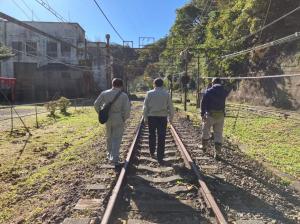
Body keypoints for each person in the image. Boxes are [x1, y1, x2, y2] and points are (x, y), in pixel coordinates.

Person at [94, 78, 131, 169]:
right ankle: (115, 159)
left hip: (107, 118)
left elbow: (96, 104)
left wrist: (101, 113)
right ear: (121, 85)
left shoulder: (104, 93)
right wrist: (124, 118)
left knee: (109, 137)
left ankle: (109, 155)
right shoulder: (123, 95)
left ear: (112, 84)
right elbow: (127, 110)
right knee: (117, 139)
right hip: (118, 117)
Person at [143, 78, 174, 164]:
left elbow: (145, 107)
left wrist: (145, 118)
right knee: (161, 136)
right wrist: (171, 118)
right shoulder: (166, 94)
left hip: (152, 117)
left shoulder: (149, 93)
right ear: (162, 84)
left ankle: (152, 152)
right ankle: (160, 155)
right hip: (162, 117)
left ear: (154, 84)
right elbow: (171, 107)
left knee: (151, 134)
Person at [200, 78, 229, 159]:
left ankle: (204, 147)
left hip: (209, 115)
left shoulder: (208, 91)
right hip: (220, 116)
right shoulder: (224, 91)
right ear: (220, 83)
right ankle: (217, 153)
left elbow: (203, 103)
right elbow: (228, 89)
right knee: (218, 134)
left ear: (213, 83)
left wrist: (202, 114)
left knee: (206, 130)